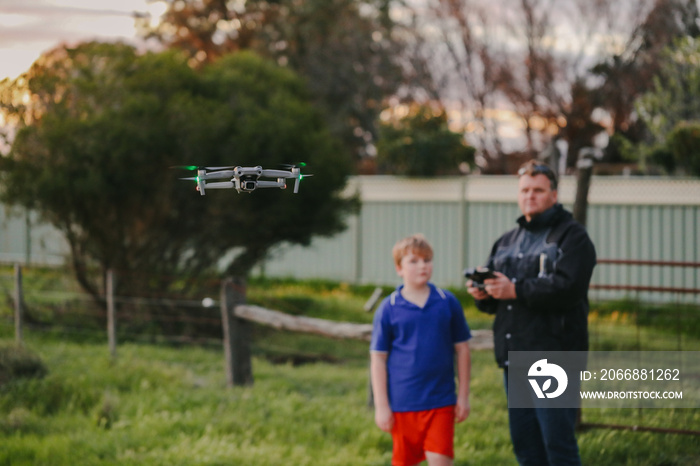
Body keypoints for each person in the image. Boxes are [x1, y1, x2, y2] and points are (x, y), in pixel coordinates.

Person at [466, 160, 596, 466]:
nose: (530, 196)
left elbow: (569, 288)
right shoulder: (507, 241)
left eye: (538, 190)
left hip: (554, 356)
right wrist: (484, 294)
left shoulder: (572, 237)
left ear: (553, 194)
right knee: (526, 447)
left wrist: (516, 290)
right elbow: (499, 296)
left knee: (557, 445)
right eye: (525, 190)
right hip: (516, 356)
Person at [370, 234, 471, 466]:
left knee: (440, 460)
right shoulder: (389, 308)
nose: (422, 266)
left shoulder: (447, 302)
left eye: (427, 260)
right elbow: (378, 359)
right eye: (413, 261)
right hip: (403, 403)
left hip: (441, 401)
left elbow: (463, 350)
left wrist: (463, 397)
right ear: (399, 268)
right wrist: (382, 406)